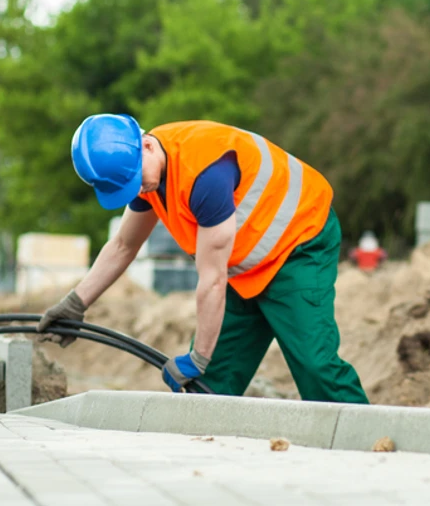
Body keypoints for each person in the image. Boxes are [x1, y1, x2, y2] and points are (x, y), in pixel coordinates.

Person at [39, 116, 368, 403]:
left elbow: (212, 279)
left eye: (136, 180)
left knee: (314, 364)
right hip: (244, 264)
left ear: (147, 145)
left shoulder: (205, 174)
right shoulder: (147, 173)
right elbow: (125, 244)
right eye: (129, 186)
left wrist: (199, 357)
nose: (138, 189)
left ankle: (371, 446)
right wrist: (75, 303)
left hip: (298, 243)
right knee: (209, 385)